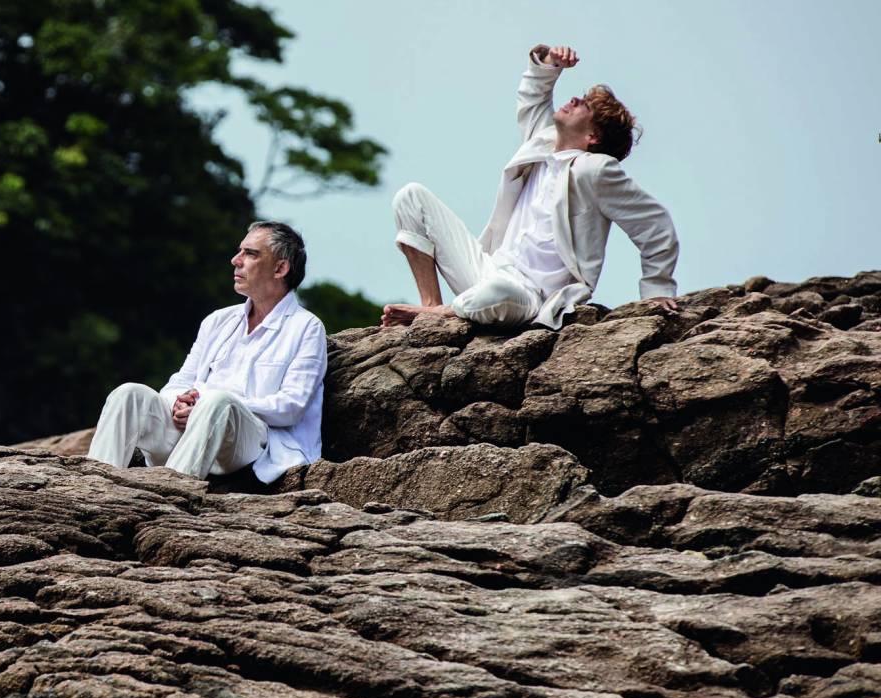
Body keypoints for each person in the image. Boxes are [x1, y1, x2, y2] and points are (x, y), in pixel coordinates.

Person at [382, 44, 680, 329]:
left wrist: (657, 289)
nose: (574, 100)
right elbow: (532, 100)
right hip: (487, 269)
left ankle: (443, 313)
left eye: (585, 106)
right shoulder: (542, 142)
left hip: (529, 296)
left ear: (593, 136)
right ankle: (430, 307)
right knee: (411, 197)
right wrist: (551, 63)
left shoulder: (595, 169)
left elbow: (654, 224)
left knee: (497, 292)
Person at [86, 221, 327, 484]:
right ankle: (95, 489)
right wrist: (180, 402)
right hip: (191, 431)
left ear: (280, 268)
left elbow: (291, 407)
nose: (236, 260)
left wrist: (207, 403)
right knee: (128, 394)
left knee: (218, 402)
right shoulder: (217, 320)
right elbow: (181, 380)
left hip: (252, 445)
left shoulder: (306, 327)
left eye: (251, 253)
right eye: (240, 251)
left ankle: (172, 492)